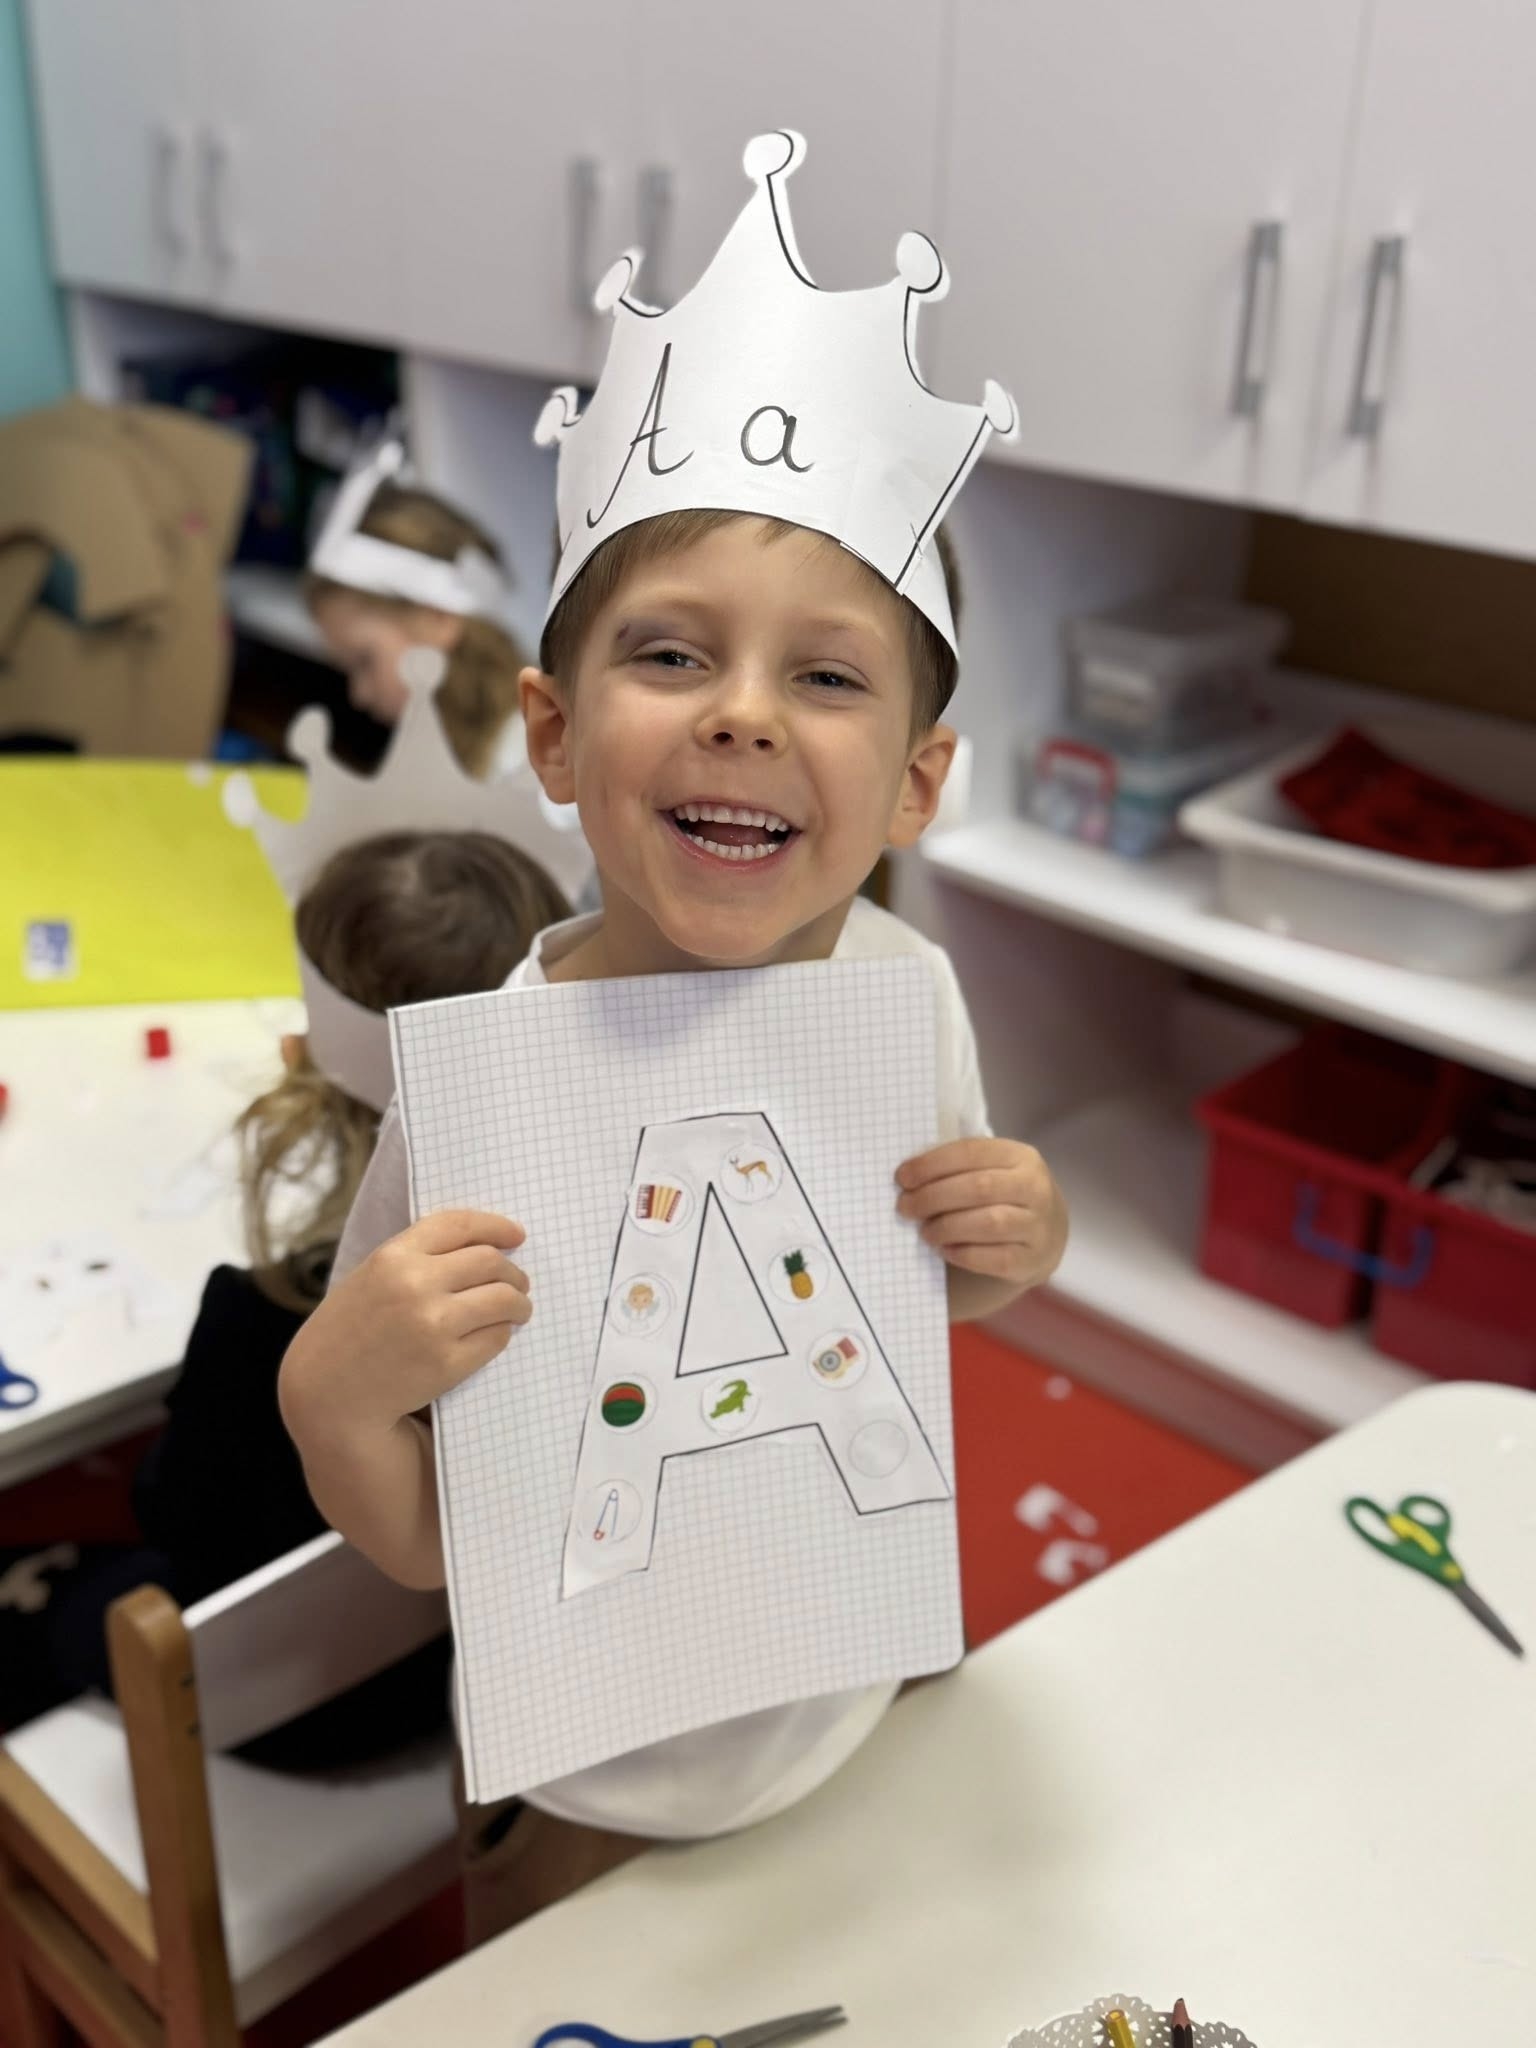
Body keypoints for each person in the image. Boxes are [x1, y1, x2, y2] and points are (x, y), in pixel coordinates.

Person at [278, 129, 1069, 1940]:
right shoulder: (483, 1082)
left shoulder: (909, 996)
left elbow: (918, 1312)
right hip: (591, 1792)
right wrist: (331, 1390)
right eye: (671, 655)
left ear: (917, 783)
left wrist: (1020, 1239)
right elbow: (432, 1543)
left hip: (865, 1706)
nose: (742, 716)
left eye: (827, 674)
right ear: (555, 737)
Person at [0, 830, 569, 1760]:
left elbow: (174, 1521)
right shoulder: (567, 1280)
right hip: (463, 1676)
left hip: (280, 1713)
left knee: (51, 1594)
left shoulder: (262, 1323)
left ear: (310, 1054)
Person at [306, 481, 530, 779]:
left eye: (364, 660)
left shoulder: (533, 768)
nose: (358, 695)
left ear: (438, 618)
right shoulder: (460, 760)